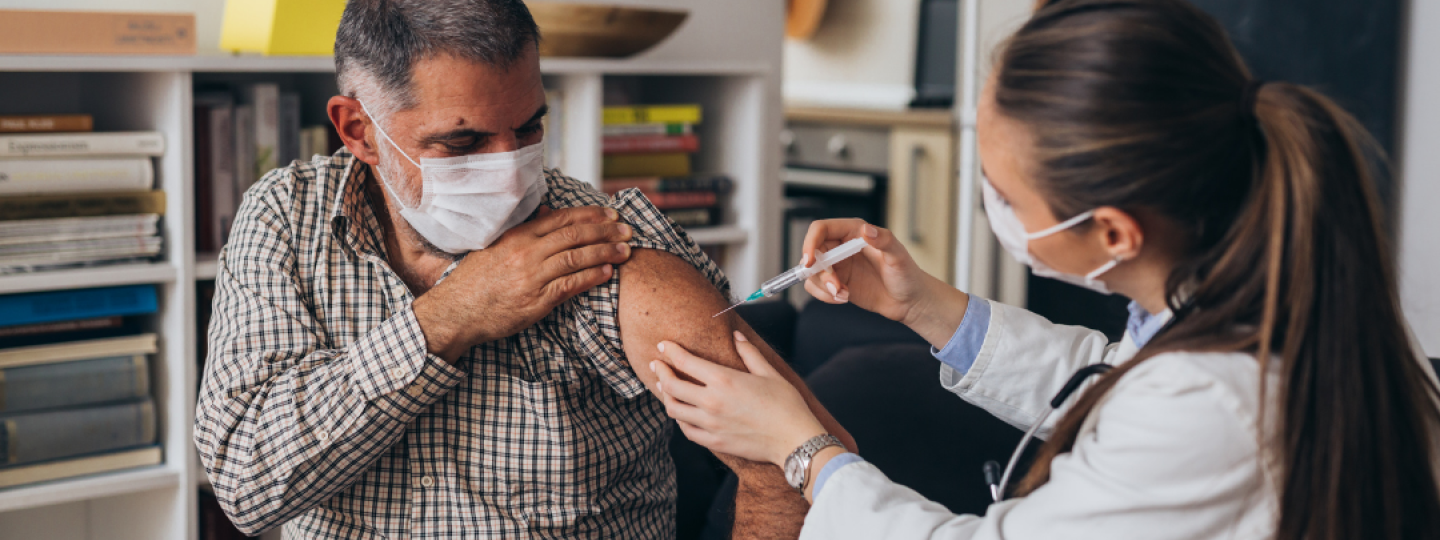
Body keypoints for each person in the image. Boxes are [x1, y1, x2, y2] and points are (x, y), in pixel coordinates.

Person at [648, 0, 1440, 538]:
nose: (990, 204)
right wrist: (927, 305)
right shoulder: (1236, 293)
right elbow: (1109, 378)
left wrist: (803, 449)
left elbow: (1148, 403)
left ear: (1112, 232)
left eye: (1002, 192)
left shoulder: (1211, 400)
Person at [192, 0, 853, 537]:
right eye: (464, 143)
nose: (510, 177)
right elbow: (248, 487)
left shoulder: (602, 251)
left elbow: (802, 462)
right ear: (359, 129)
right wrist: (448, 319)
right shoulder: (285, 217)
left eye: (530, 128)